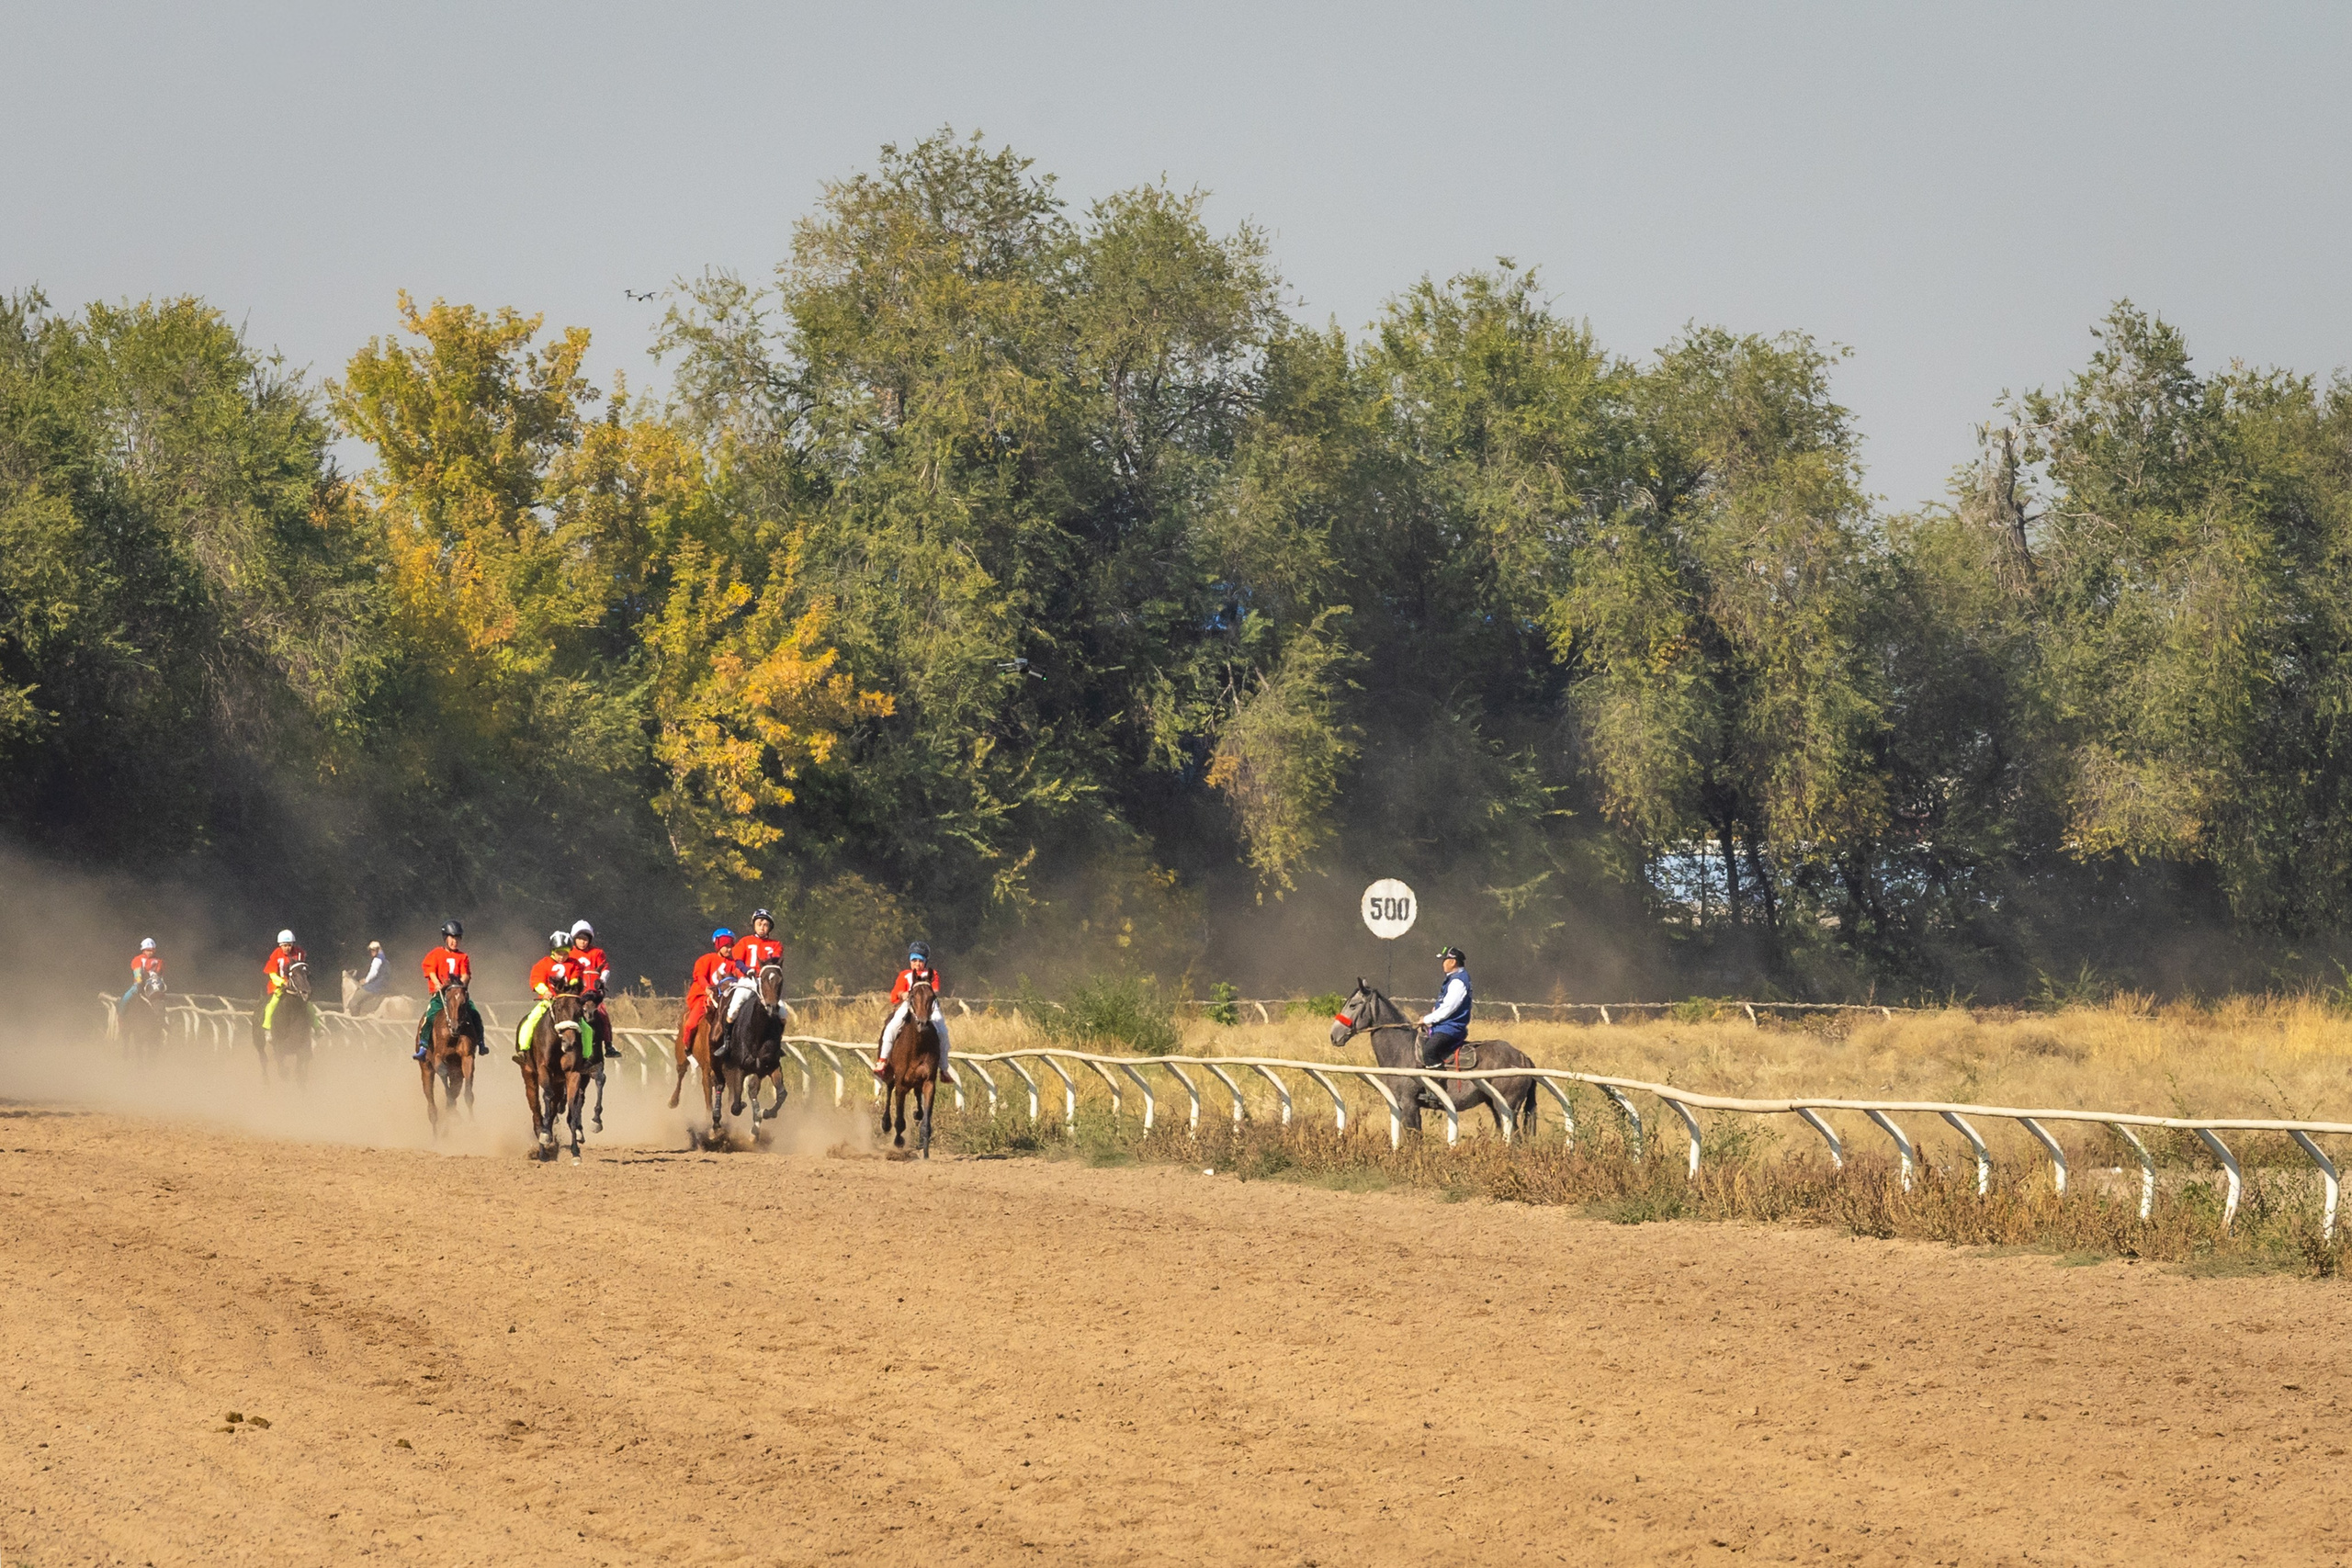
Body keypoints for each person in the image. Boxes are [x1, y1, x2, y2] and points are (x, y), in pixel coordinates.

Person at [874, 942, 950, 1077]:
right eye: (914, 960)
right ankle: (882, 1060)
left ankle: (944, 1068)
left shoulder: (932, 973)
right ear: (910, 960)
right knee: (891, 1027)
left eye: (920, 960)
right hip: (909, 1004)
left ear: (925, 961)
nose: (917, 964)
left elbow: (936, 989)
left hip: (929, 1005)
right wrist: (902, 994)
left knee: (943, 1032)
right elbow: (894, 994)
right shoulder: (905, 974)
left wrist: (927, 992)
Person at [413, 921, 487, 1059]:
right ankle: (423, 1045)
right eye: (452, 938)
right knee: (429, 1016)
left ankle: (481, 1042)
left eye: (457, 938)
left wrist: (461, 985)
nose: (455, 941)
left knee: (475, 1014)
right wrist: (437, 983)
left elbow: (466, 975)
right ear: (445, 938)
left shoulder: (463, 957)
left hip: (458, 994)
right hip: (441, 994)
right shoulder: (436, 954)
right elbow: (430, 971)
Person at [514, 931, 576, 1059]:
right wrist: (545, 991)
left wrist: (571, 989)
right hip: (549, 1001)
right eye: (559, 953)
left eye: (565, 953)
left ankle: (587, 1057)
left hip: (568, 1004)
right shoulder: (543, 964)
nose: (562, 957)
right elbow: (536, 980)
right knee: (531, 1020)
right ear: (553, 951)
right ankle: (523, 1050)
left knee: (586, 1027)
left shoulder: (574, 965)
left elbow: (576, 979)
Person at [679, 928, 739, 1055]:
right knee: (691, 1024)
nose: (729, 949)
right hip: (705, 998)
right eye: (726, 946)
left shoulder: (734, 964)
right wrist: (707, 988)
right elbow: (700, 976)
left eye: (731, 946)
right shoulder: (706, 959)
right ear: (718, 945)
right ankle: (687, 1045)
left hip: (726, 1000)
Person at [724, 908, 784, 1022]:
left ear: (770, 928)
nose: (762, 928)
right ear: (754, 925)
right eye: (759, 924)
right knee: (733, 1010)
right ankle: (728, 1037)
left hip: (765, 982)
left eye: (766, 925)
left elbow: (775, 960)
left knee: (783, 1014)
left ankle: (776, 1037)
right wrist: (746, 970)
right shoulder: (744, 941)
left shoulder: (775, 944)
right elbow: (738, 961)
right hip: (748, 980)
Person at [568, 920, 613, 1073]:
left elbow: (605, 969)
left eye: (586, 939)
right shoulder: (569, 954)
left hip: (593, 996)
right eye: (580, 938)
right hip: (575, 996)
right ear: (574, 939)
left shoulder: (597, 953)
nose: (583, 941)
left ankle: (608, 1045)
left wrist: (602, 980)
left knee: (603, 1014)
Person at [1417, 945, 1473, 1066]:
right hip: (1443, 1027)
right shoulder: (1452, 979)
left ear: (1453, 962)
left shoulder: (1458, 982)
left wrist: (1427, 1019)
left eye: (1444, 960)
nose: (1443, 963)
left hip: (1451, 1028)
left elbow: (1448, 1008)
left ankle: (1439, 1084)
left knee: (1429, 1052)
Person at [261, 929, 306, 1037]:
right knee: (272, 1004)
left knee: (308, 1005)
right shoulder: (276, 954)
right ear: (280, 945)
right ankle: (267, 1029)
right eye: (285, 945)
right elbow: (272, 974)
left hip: (296, 986)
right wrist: (282, 982)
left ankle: (316, 1029)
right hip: (279, 986)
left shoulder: (299, 953)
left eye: (289, 945)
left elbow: (302, 969)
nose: (287, 948)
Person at [120, 938, 164, 1010]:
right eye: (148, 950)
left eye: (152, 950)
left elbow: (160, 973)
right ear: (143, 950)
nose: (150, 952)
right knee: (126, 997)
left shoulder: (159, 961)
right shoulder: (138, 959)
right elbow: (137, 971)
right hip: (140, 983)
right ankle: (121, 1014)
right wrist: (139, 979)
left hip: (153, 984)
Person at [352, 941, 390, 1015]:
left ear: (378, 950)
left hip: (375, 986)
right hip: (384, 986)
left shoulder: (377, 960)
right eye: (371, 950)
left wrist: (366, 980)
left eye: (373, 950)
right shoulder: (386, 961)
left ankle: (355, 1021)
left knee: (354, 1001)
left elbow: (373, 972)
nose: (372, 952)